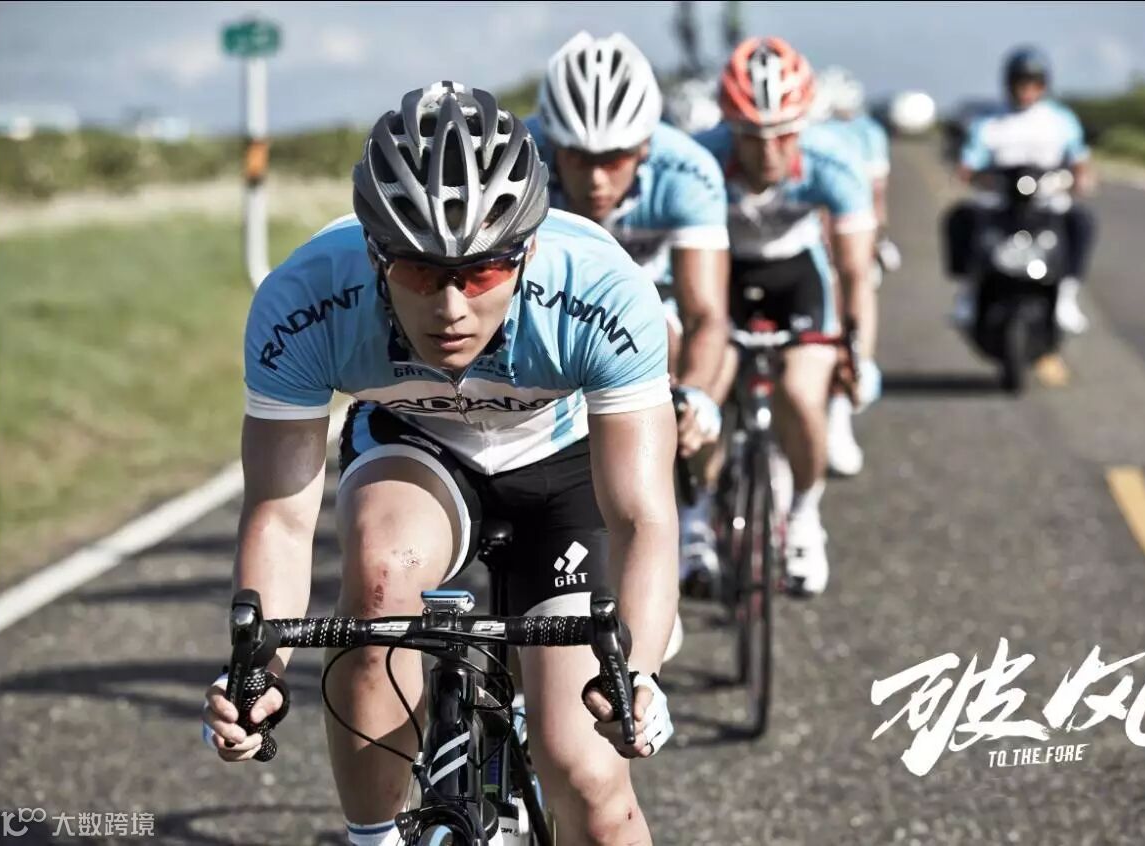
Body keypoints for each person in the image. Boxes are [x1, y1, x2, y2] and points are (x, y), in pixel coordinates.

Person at [201, 82, 678, 846]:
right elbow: (283, 519)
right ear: (374, 254)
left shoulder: (600, 289)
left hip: (561, 466)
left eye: (482, 273)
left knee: (587, 778)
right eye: (420, 272)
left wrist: (639, 672)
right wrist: (259, 672)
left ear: (526, 252)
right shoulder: (306, 299)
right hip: (417, 449)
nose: (451, 307)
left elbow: (642, 516)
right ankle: (373, 835)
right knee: (378, 585)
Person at [532, 31, 731, 607]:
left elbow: (706, 311)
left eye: (613, 160)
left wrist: (697, 395)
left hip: (652, 300)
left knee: (663, 343)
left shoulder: (687, 171)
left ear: (644, 147)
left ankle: (677, 517)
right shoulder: (517, 160)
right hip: (549, 299)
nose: (596, 180)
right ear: (552, 143)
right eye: (578, 158)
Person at [695, 37, 877, 596]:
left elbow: (855, 274)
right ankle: (695, 513)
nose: (769, 151)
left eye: (784, 133)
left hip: (798, 278)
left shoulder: (833, 161)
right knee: (704, 390)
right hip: (723, 275)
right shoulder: (700, 160)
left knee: (800, 391)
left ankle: (804, 511)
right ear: (729, 127)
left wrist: (856, 355)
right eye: (752, 136)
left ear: (805, 123)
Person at [944, 46, 1097, 334]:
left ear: (1044, 86)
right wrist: (965, 175)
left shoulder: (1061, 121)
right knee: (959, 218)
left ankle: (1067, 296)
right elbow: (969, 163)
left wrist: (1081, 179)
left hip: (1047, 198)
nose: (1026, 90)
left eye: (1033, 83)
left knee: (1081, 222)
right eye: (1021, 83)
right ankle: (967, 292)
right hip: (999, 198)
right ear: (1009, 84)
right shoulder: (988, 123)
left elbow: (1079, 161)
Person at [812, 66, 898, 475]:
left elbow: (874, 199)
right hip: (812, 238)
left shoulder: (866, 134)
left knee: (849, 307)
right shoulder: (818, 135)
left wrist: (872, 241)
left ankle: (840, 410)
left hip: (844, 233)